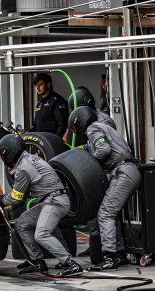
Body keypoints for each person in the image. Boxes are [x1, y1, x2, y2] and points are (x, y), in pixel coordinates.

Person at [0, 134, 83, 277]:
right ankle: (37, 261)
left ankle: (70, 263)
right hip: (50, 200)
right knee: (22, 223)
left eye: (3, 156)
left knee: (41, 234)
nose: (3, 160)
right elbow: (21, 199)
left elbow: (16, 197)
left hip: (55, 201)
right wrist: (6, 205)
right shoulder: (28, 158)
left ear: (9, 152)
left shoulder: (23, 167)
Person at [69, 106, 140, 271]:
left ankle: (110, 257)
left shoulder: (93, 128)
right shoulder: (103, 126)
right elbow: (94, 148)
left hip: (123, 171)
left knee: (105, 212)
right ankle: (119, 252)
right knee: (111, 213)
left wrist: (88, 163)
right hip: (127, 170)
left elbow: (103, 150)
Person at [30, 73, 69, 138]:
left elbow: (62, 125)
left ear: (48, 84)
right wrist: (26, 133)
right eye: (36, 85)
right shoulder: (40, 102)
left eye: (40, 85)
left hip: (52, 142)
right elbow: (36, 126)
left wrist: (56, 140)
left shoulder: (57, 101)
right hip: (41, 141)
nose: (38, 88)